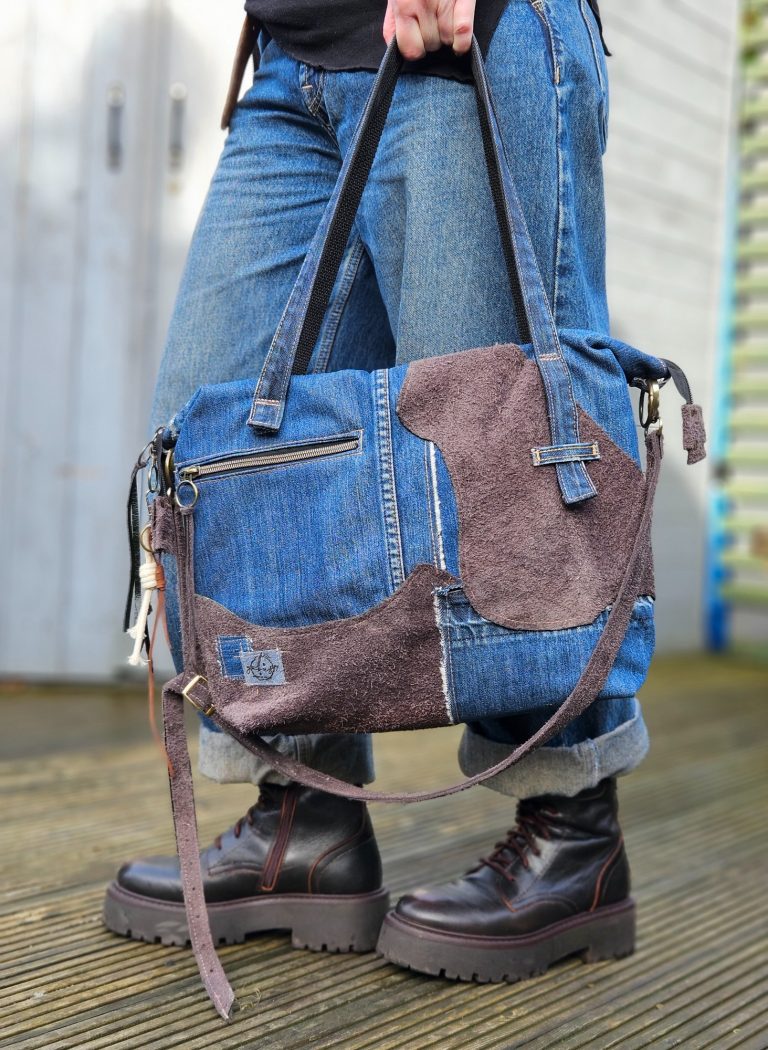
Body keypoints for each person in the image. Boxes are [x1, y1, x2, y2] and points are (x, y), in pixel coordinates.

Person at [105, 0, 643, 983]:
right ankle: (304, 816)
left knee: (503, 436)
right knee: (222, 445)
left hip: (462, 33)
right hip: (292, 60)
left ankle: (574, 832)